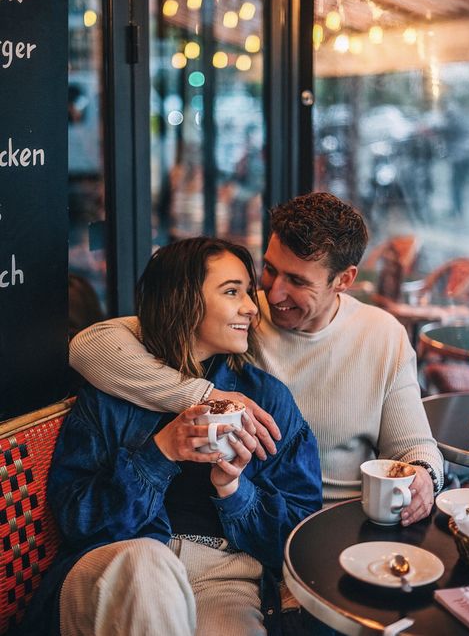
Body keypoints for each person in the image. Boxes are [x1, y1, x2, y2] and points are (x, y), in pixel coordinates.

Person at [70, 192, 444, 527]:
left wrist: (425, 475)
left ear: (343, 280)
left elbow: (412, 446)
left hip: (344, 521)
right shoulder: (236, 319)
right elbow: (90, 346)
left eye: (297, 282)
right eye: (270, 269)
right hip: (252, 517)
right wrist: (205, 396)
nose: (273, 293)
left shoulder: (383, 335)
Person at [20, 237, 322, 636]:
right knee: (148, 564)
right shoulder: (111, 389)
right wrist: (160, 453)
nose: (252, 307)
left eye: (248, 292)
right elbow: (78, 521)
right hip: (117, 568)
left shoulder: (264, 400)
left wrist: (233, 490)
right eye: (232, 292)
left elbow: (299, 539)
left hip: (223, 578)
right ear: (183, 300)